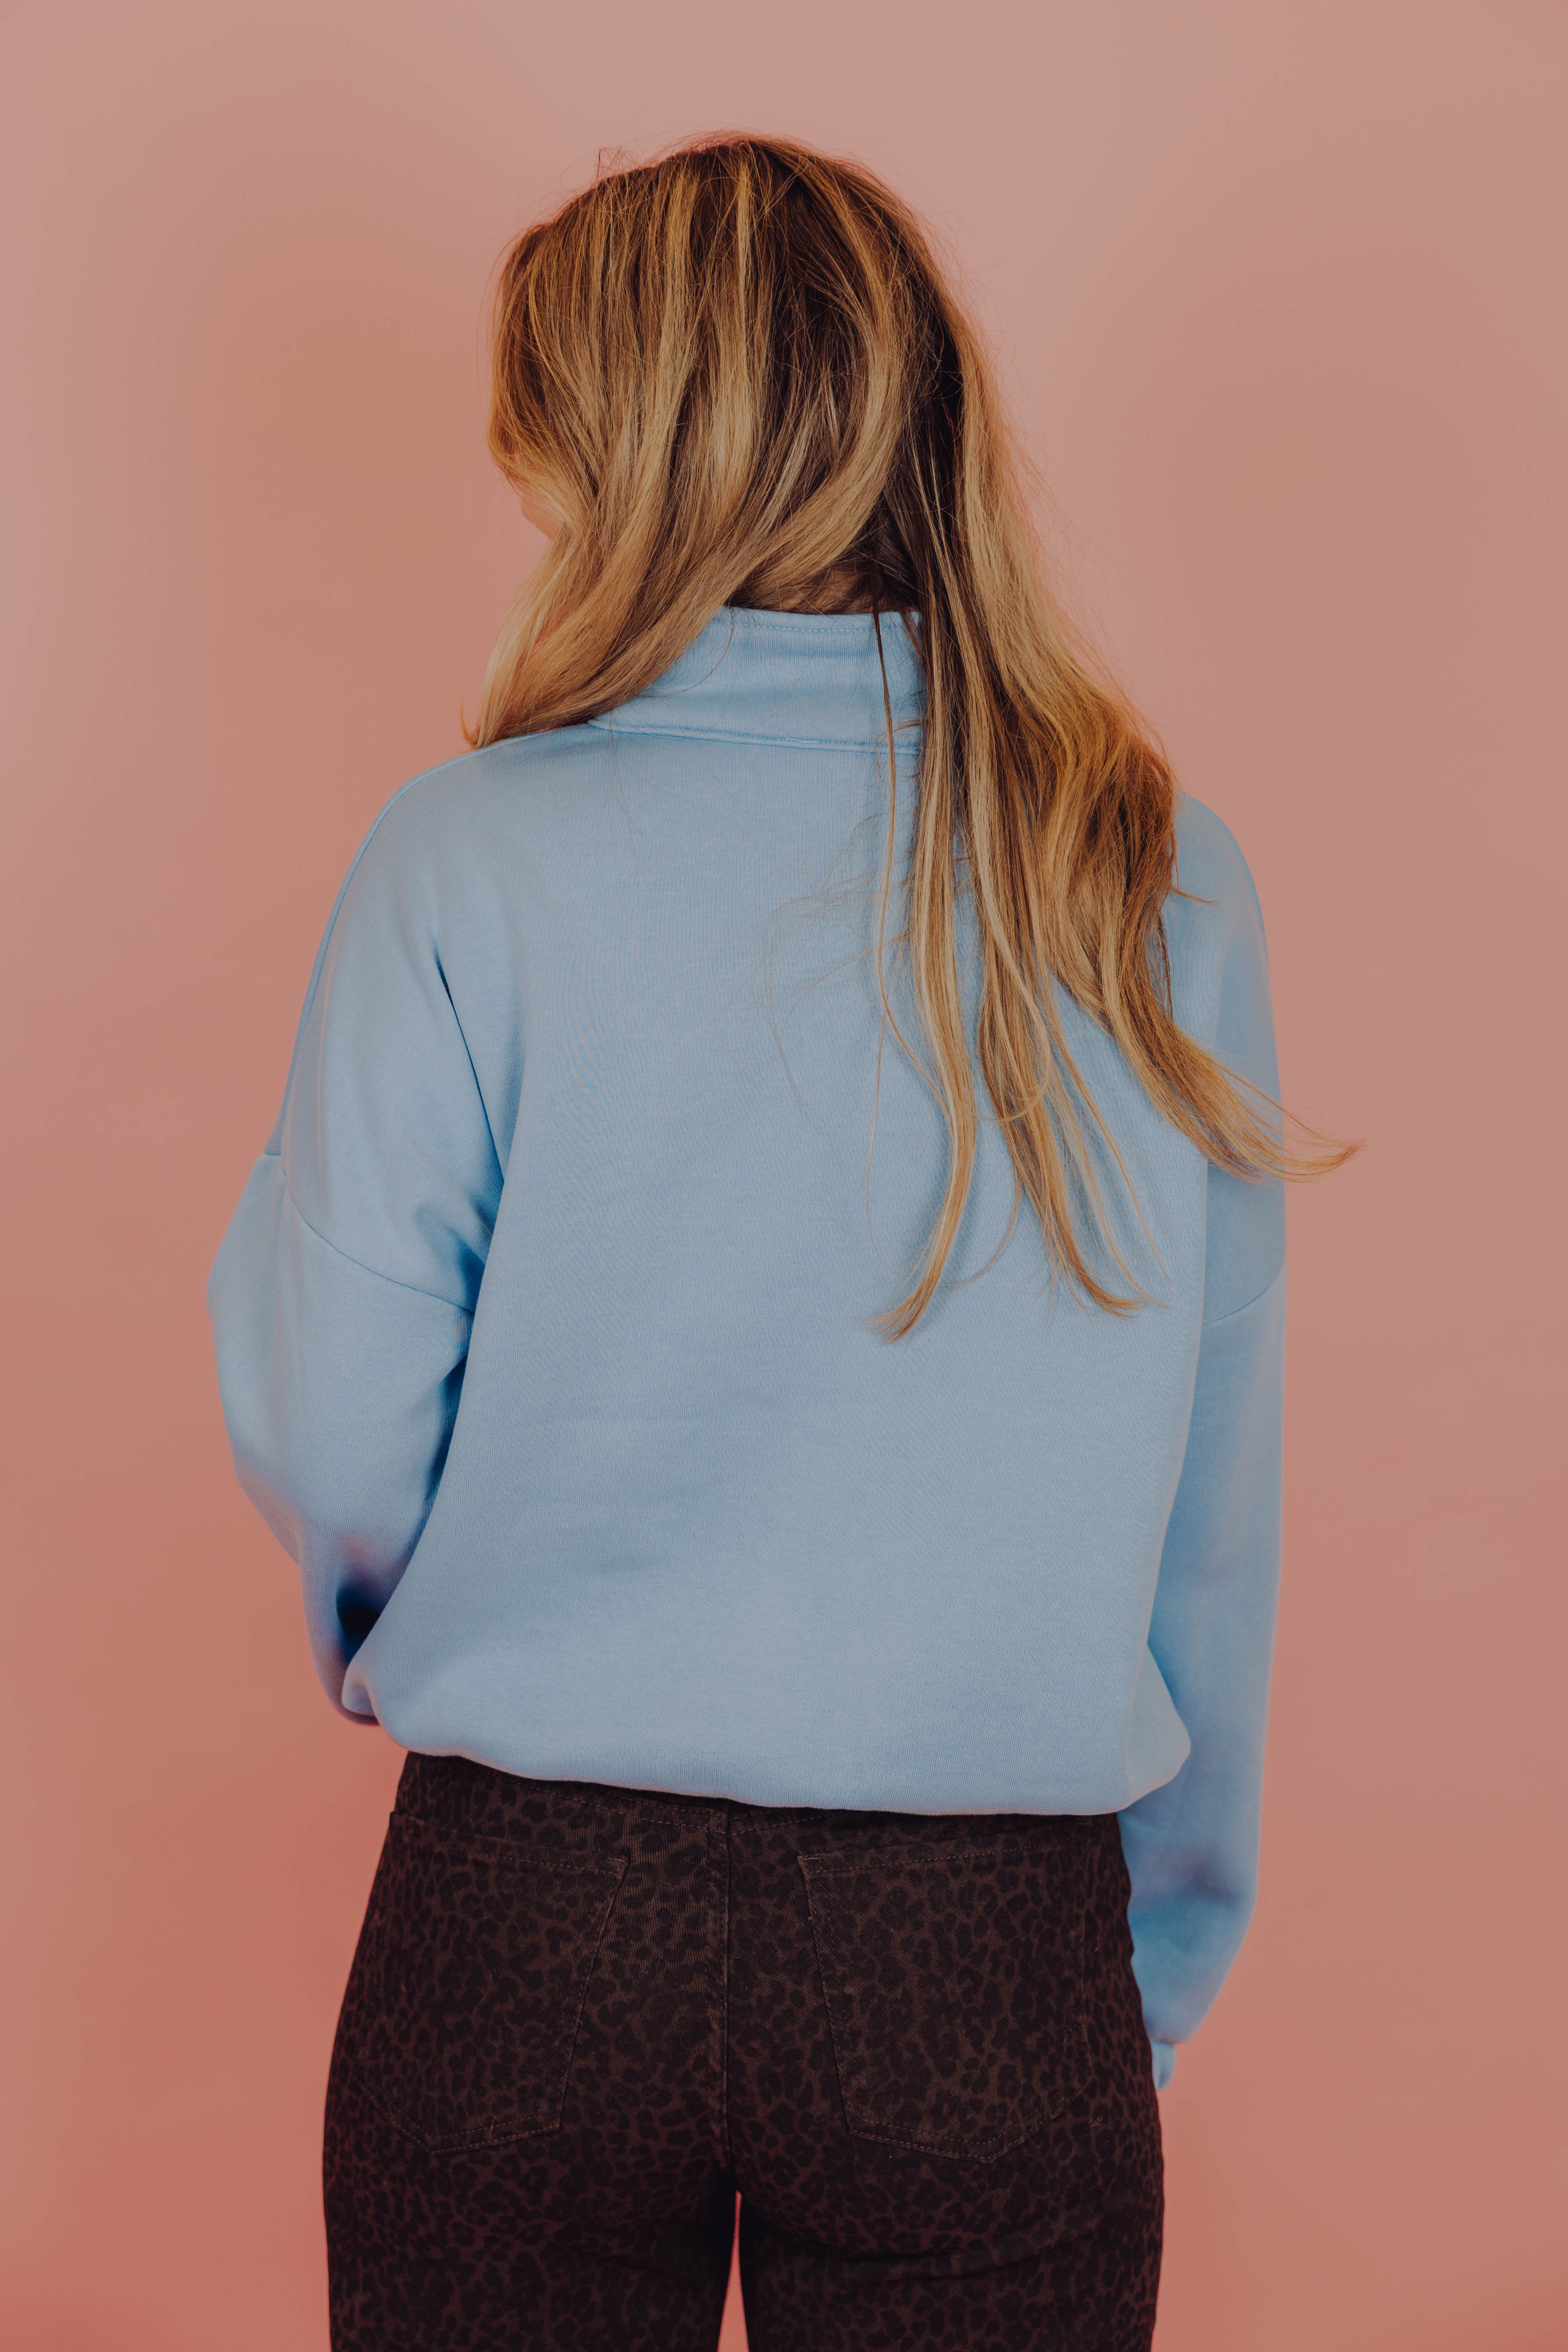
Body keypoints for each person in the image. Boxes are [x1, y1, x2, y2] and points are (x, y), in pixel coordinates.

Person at [208, 133, 1344, 2352]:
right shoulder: (1149, 874)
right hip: (984, 1948)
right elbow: (1208, 1517)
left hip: (527, 1911)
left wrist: (435, 1634)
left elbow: (334, 1419)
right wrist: (1148, 1965)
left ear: (625, 463)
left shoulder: (463, 857)